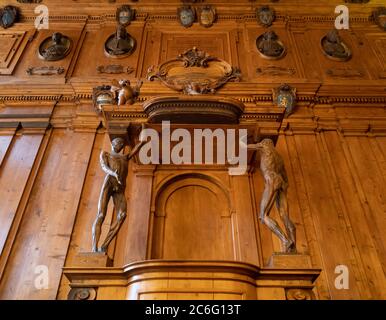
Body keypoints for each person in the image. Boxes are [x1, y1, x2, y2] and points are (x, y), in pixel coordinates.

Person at [92, 126, 146, 252]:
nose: (120, 145)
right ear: (112, 144)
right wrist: (113, 173)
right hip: (109, 183)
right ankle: (94, 248)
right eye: (117, 142)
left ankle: (104, 245)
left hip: (120, 187)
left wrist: (143, 137)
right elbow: (104, 166)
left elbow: (136, 148)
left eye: (122, 144)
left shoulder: (124, 157)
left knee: (122, 215)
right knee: (101, 214)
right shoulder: (105, 154)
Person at [244, 138, 296, 253]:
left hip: (271, 180)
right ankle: (293, 248)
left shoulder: (264, 147)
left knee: (263, 215)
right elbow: (286, 180)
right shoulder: (279, 157)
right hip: (281, 182)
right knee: (284, 215)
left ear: (266, 143)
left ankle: (285, 240)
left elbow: (246, 146)